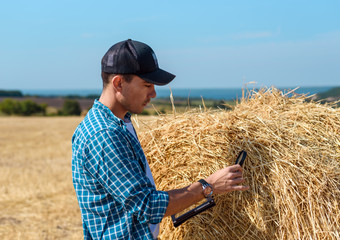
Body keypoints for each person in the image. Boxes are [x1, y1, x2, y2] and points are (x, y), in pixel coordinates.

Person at [72, 39, 249, 240]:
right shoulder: (104, 135)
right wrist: (208, 186)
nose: (154, 94)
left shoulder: (119, 123)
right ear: (119, 83)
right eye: (147, 85)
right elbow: (147, 205)